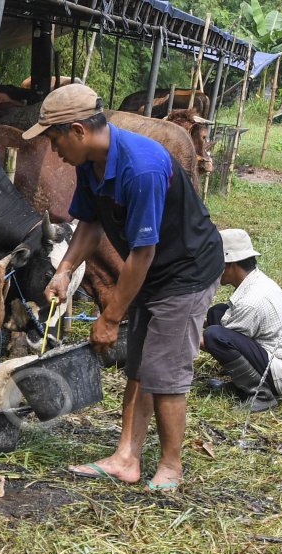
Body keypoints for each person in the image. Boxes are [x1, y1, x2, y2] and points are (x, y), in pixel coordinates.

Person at [24, 84, 223, 491]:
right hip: (152, 268)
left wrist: (110, 316)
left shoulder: (142, 166)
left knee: (164, 372)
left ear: (78, 130)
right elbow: (91, 223)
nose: (52, 149)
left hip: (184, 270)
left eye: (54, 137)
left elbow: (143, 254)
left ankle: (171, 467)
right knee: (139, 365)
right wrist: (63, 270)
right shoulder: (89, 162)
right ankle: (126, 458)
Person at [202, 229, 282, 411]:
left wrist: (180, 331)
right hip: (276, 359)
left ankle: (260, 393)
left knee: (213, 336)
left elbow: (215, 341)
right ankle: (242, 384)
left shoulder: (251, 301)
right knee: (217, 313)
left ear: (231, 265)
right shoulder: (256, 280)